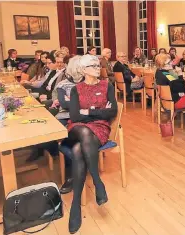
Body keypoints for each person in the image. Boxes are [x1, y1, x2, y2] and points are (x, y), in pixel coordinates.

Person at [66, 54, 117, 233]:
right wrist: (99, 110)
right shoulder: (76, 89)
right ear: (83, 69)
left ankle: (75, 206)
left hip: (100, 128)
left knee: (79, 149)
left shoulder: (106, 85)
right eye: (93, 65)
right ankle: (97, 181)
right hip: (77, 128)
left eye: (98, 65)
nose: (98, 67)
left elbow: (113, 111)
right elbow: (75, 116)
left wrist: (88, 111)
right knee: (84, 132)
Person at [51, 56, 84, 194]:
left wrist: (72, 101)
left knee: (72, 137)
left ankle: (72, 175)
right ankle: (79, 164)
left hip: (83, 118)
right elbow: (64, 104)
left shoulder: (90, 83)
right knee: (53, 134)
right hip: (64, 117)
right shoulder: (62, 84)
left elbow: (93, 103)